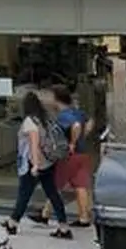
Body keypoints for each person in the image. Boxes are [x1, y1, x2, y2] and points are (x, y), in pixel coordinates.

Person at [2, 91, 72, 239]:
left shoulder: (30, 121)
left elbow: (34, 144)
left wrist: (35, 165)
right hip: (49, 163)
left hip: (34, 164)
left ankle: (12, 223)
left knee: (24, 195)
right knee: (53, 194)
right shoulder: (45, 118)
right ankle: (64, 227)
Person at [33, 86, 93, 227]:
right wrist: (83, 136)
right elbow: (89, 121)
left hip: (69, 155)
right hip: (82, 153)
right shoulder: (77, 111)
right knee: (80, 185)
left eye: (49, 96)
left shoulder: (64, 115)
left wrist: (72, 142)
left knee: (55, 184)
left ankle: (45, 215)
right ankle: (84, 217)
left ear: (56, 98)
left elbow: (76, 126)